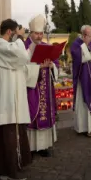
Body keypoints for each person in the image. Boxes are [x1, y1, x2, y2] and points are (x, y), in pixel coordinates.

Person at [0, 19, 38, 180]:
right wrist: (20, 38)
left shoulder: (9, 48)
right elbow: (19, 55)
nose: (19, 35)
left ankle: (15, 164)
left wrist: (39, 66)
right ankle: (6, 169)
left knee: (14, 131)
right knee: (6, 133)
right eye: (17, 31)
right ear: (10, 32)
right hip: (4, 98)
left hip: (12, 97)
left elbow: (22, 63)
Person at [23, 14, 59, 157]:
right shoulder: (24, 47)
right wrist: (37, 67)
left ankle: (43, 146)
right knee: (33, 114)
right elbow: (22, 67)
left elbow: (56, 63)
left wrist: (51, 66)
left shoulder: (46, 46)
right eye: (36, 33)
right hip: (31, 88)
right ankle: (30, 147)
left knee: (45, 114)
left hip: (46, 87)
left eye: (41, 33)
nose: (39, 36)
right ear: (30, 33)